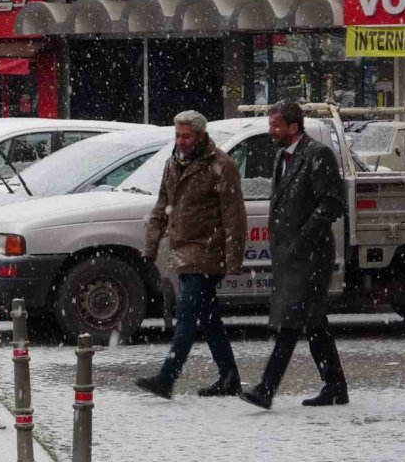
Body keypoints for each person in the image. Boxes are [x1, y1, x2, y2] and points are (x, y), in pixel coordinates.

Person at [239, 100, 349, 410]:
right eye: (270, 124)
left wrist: (302, 238)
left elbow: (333, 204)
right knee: (313, 322)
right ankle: (335, 385)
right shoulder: (281, 156)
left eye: (276, 125)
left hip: (311, 256)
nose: (271, 131)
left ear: (293, 127)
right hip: (290, 255)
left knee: (290, 321)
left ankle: (266, 388)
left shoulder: (317, 155)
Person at [134, 110, 247, 399]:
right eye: (177, 135)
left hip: (207, 253)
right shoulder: (173, 162)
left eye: (186, 136)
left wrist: (234, 258)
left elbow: (234, 215)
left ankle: (167, 377)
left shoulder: (221, 164)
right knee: (209, 319)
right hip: (183, 251)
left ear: (199, 135)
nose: (180, 141)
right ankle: (229, 377)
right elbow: (162, 205)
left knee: (186, 315)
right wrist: (150, 246)